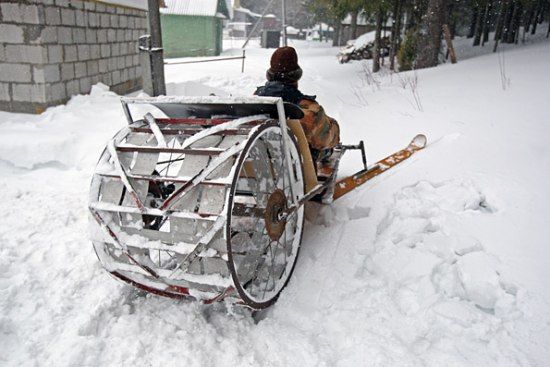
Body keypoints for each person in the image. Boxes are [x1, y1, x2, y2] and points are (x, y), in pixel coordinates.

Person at [254, 46, 340, 167]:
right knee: (322, 146)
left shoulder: (253, 101)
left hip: (259, 161)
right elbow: (328, 139)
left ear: (270, 74)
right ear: (296, 76)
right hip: (295, 167)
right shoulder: (308, 109)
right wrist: (333, 124)